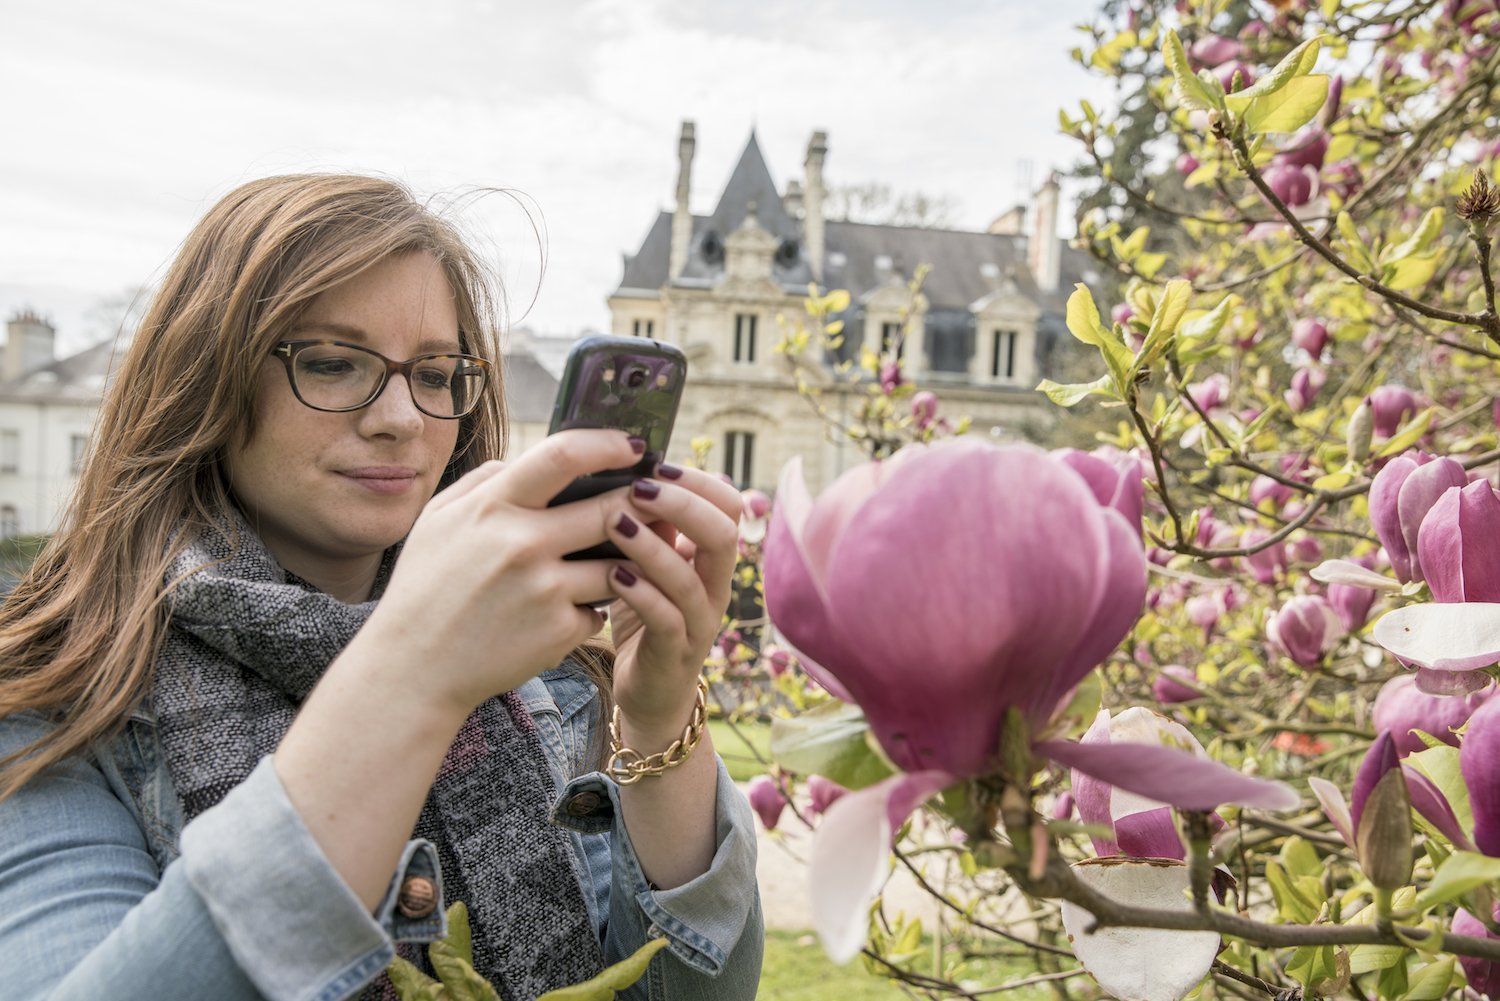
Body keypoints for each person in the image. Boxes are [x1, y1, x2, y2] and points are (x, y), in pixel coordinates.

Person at [0, 174, 763, 1000]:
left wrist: (656, 717)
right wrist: (414, 670)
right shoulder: (50, 694)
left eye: (437, 375)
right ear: (204, 379)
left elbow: (697, 989)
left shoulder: (549, 669)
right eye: (332, 362)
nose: (402, 416)